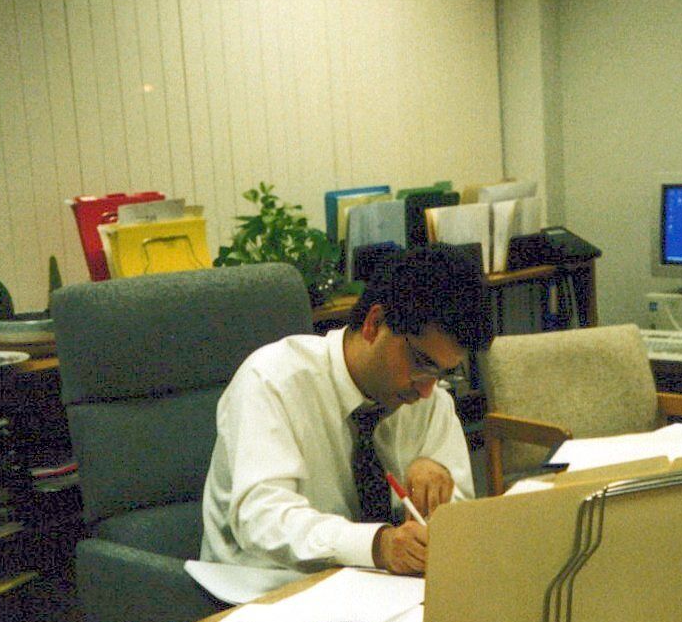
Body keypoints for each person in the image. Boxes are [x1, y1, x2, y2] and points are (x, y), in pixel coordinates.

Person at [194, 245, 491, 603]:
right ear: (374, 323)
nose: (428, 389)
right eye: (421, 362)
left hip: (375, 592)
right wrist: (376, 545)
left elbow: (456, 518)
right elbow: (261, 519)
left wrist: (432, 502)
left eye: (444, 372)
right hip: (263, 594)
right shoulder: (272, 380)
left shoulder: (428, 399)